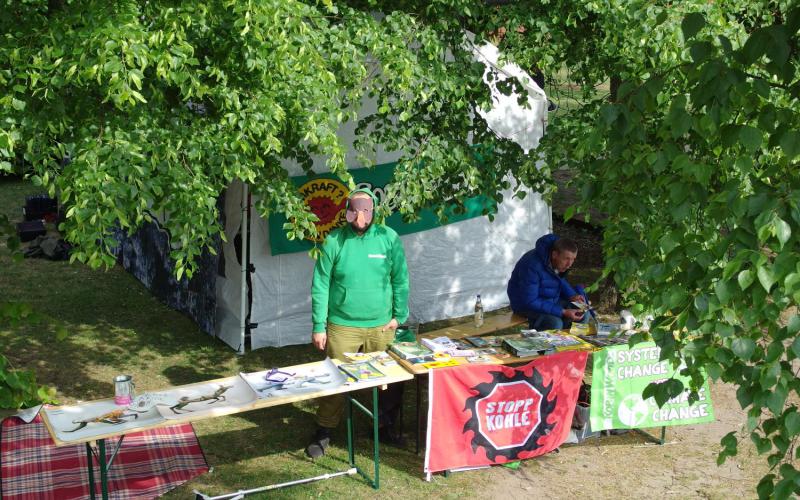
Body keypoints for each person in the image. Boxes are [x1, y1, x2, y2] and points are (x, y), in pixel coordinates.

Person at [305, 187, 410, 459]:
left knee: (389, 380)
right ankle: (324, 431)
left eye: (365, 211)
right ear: (347, 212)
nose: (360, 218)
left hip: (381, 327)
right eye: (354, 211)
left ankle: (384, 427)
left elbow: (400, 279)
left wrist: (400, 316)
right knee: (336, 379)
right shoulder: (334, 241)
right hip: (342, 326)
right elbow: (320, 285)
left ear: (373, 211)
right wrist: (319, 325)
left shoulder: (389, 238)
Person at [507, 234, 588, 330]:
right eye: (566, 259)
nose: (569, 264)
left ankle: (571, 342)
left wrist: (572, 296)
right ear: (554, 254)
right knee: (555, 323)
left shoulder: (555, 259)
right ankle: (545, 341)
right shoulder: (531, 265)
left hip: (549, 300)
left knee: (584, 311)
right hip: (524, 304)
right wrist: (563, 311)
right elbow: (530, 301)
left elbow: (560, 280)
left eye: (573, 259)